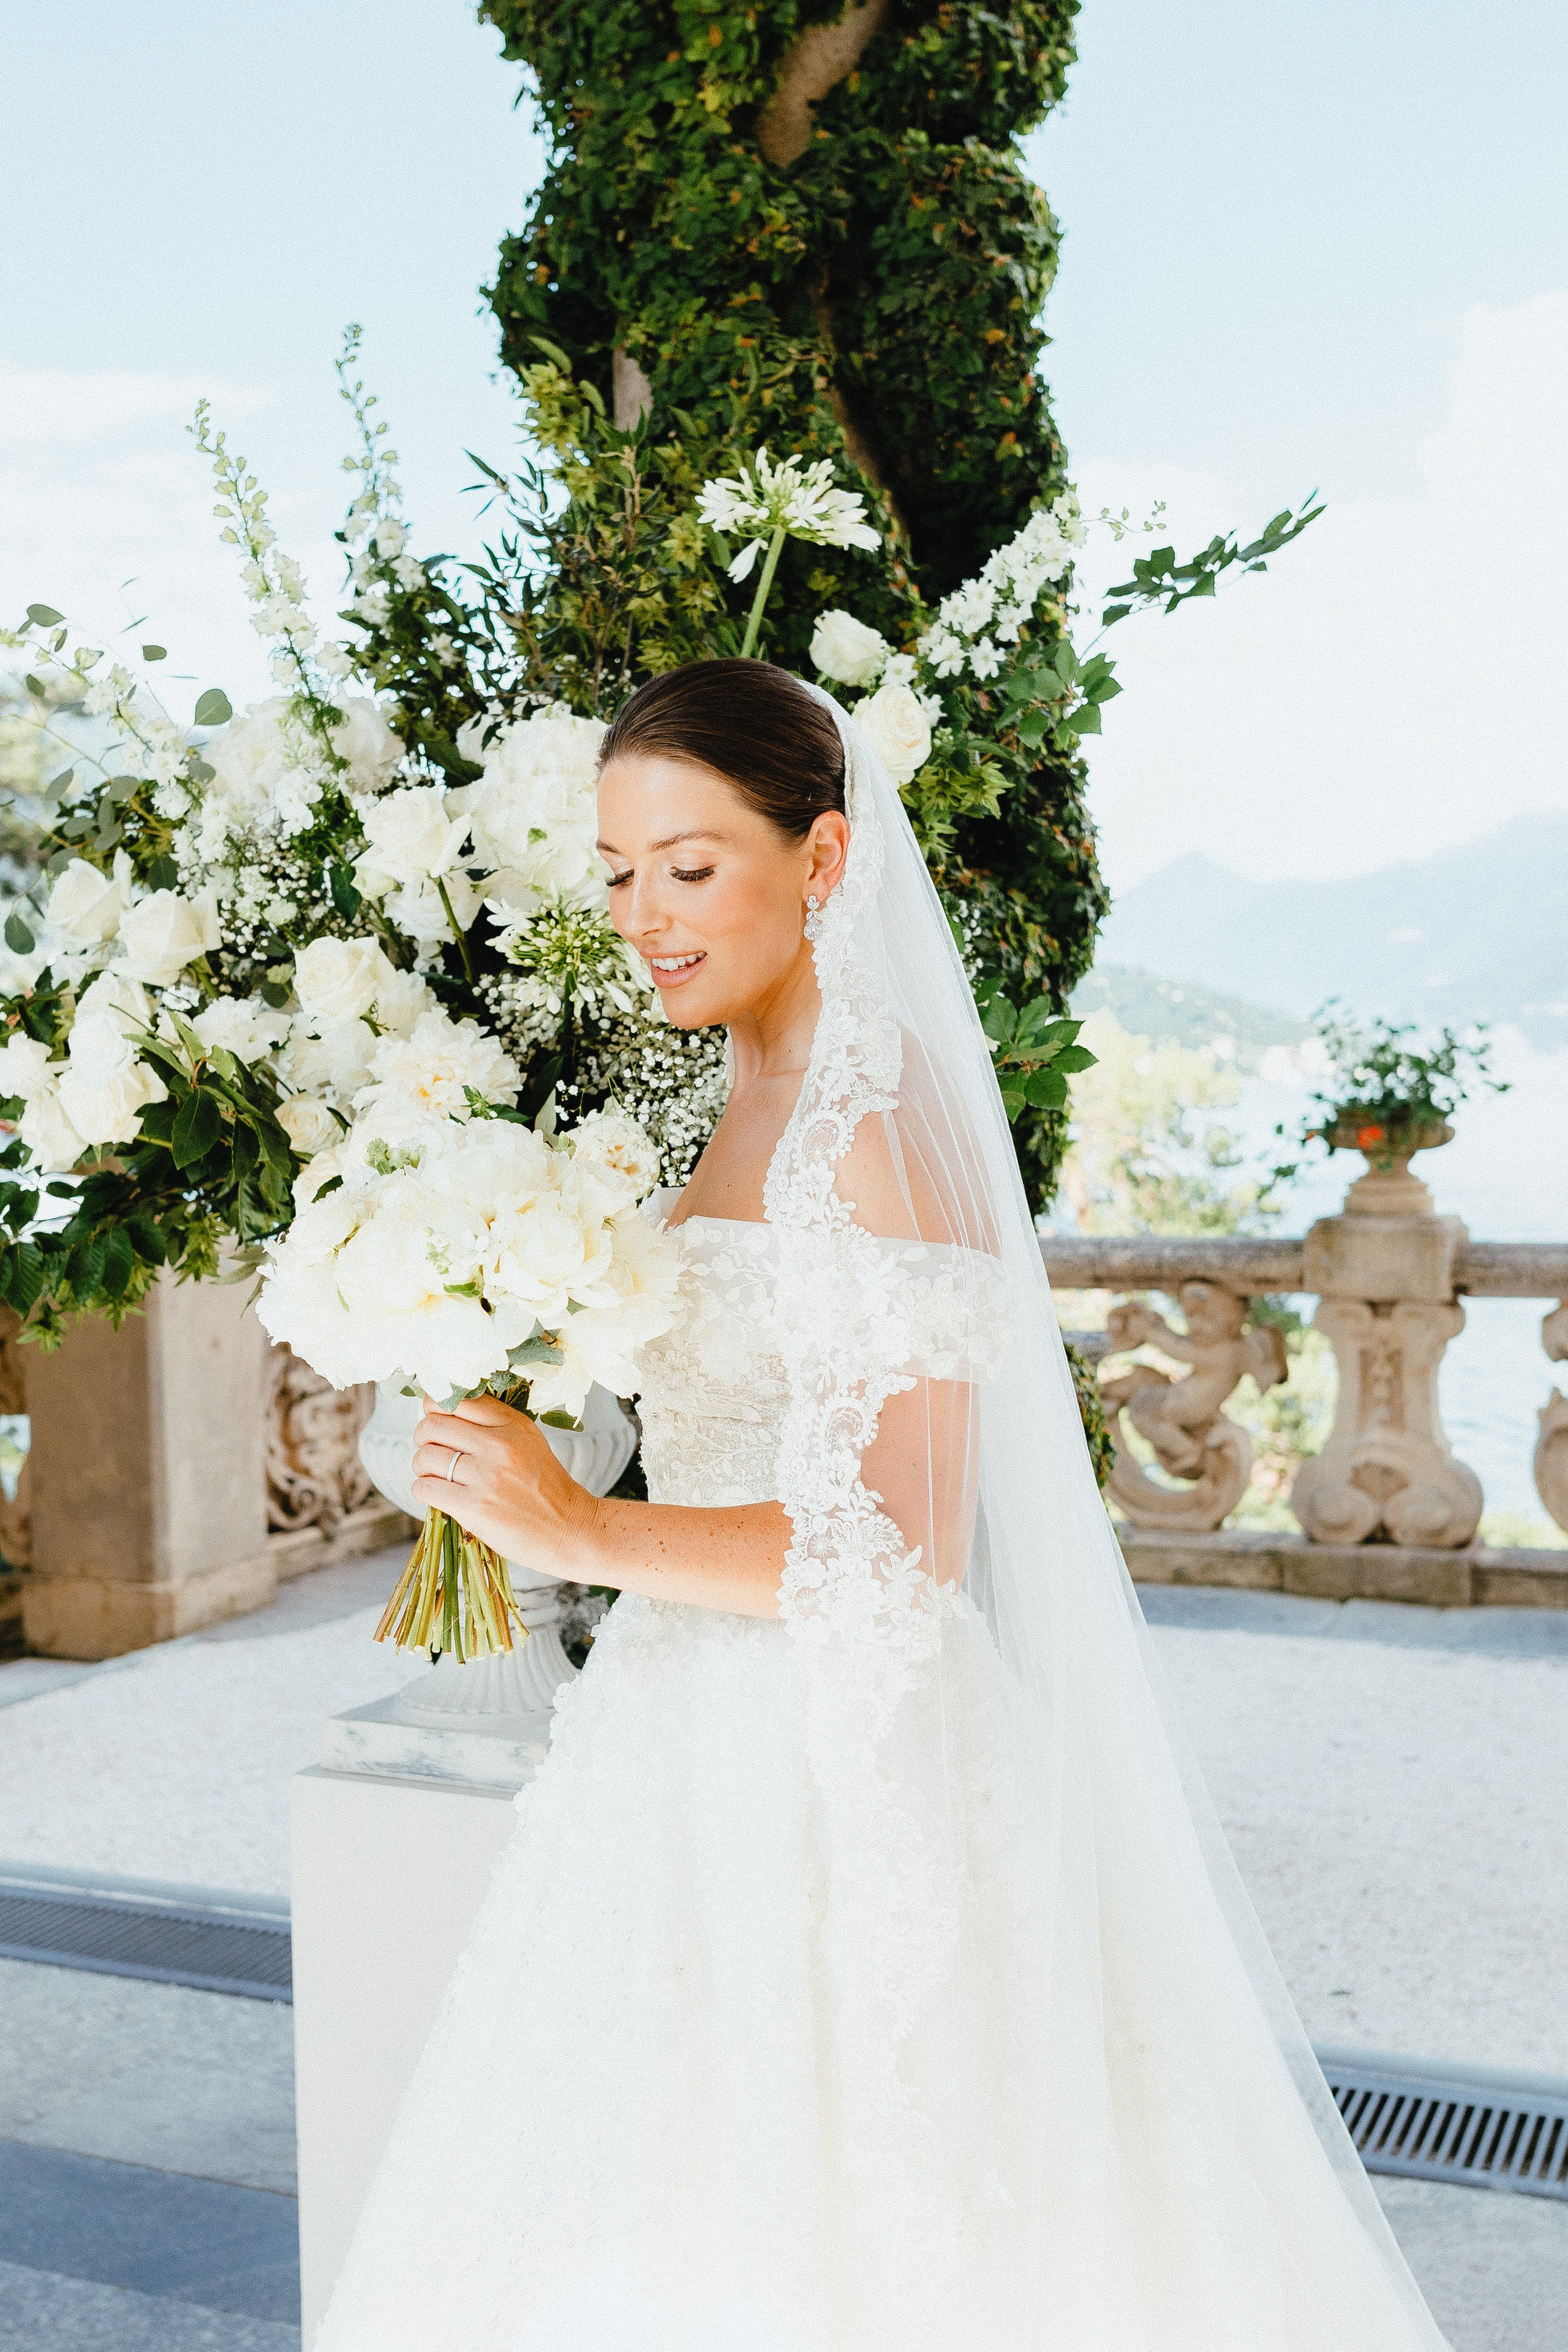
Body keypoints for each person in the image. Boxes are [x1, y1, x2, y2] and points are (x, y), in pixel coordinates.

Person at [317, 660, 1450, 2349]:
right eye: (621, 872)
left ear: (826, 860)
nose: (645, 914)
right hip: (678, 1730)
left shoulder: (877, 1120)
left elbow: (895, 1549)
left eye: (691, 867)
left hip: (832, 1762)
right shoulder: (737, 1086)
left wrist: (577, 1533)